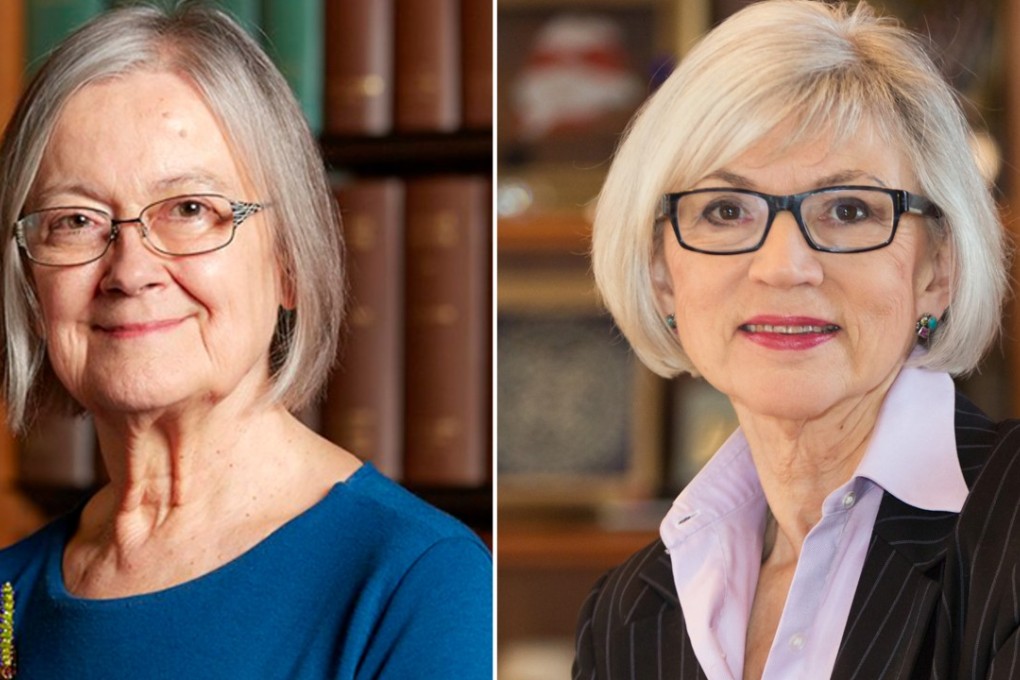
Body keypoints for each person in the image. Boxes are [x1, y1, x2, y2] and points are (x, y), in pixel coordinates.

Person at [0, 4, 491, 679]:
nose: (131, 271)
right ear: (30, 279)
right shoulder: (9, 597)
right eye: (75, 221)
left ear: (289, 259)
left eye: (191, 210)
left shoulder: (416, 582)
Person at [573, 1, 1020, 678]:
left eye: (848, 209)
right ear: (662, 274)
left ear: (937, 270)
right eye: (725, 210)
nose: (784, 267)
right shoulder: (625, 614)